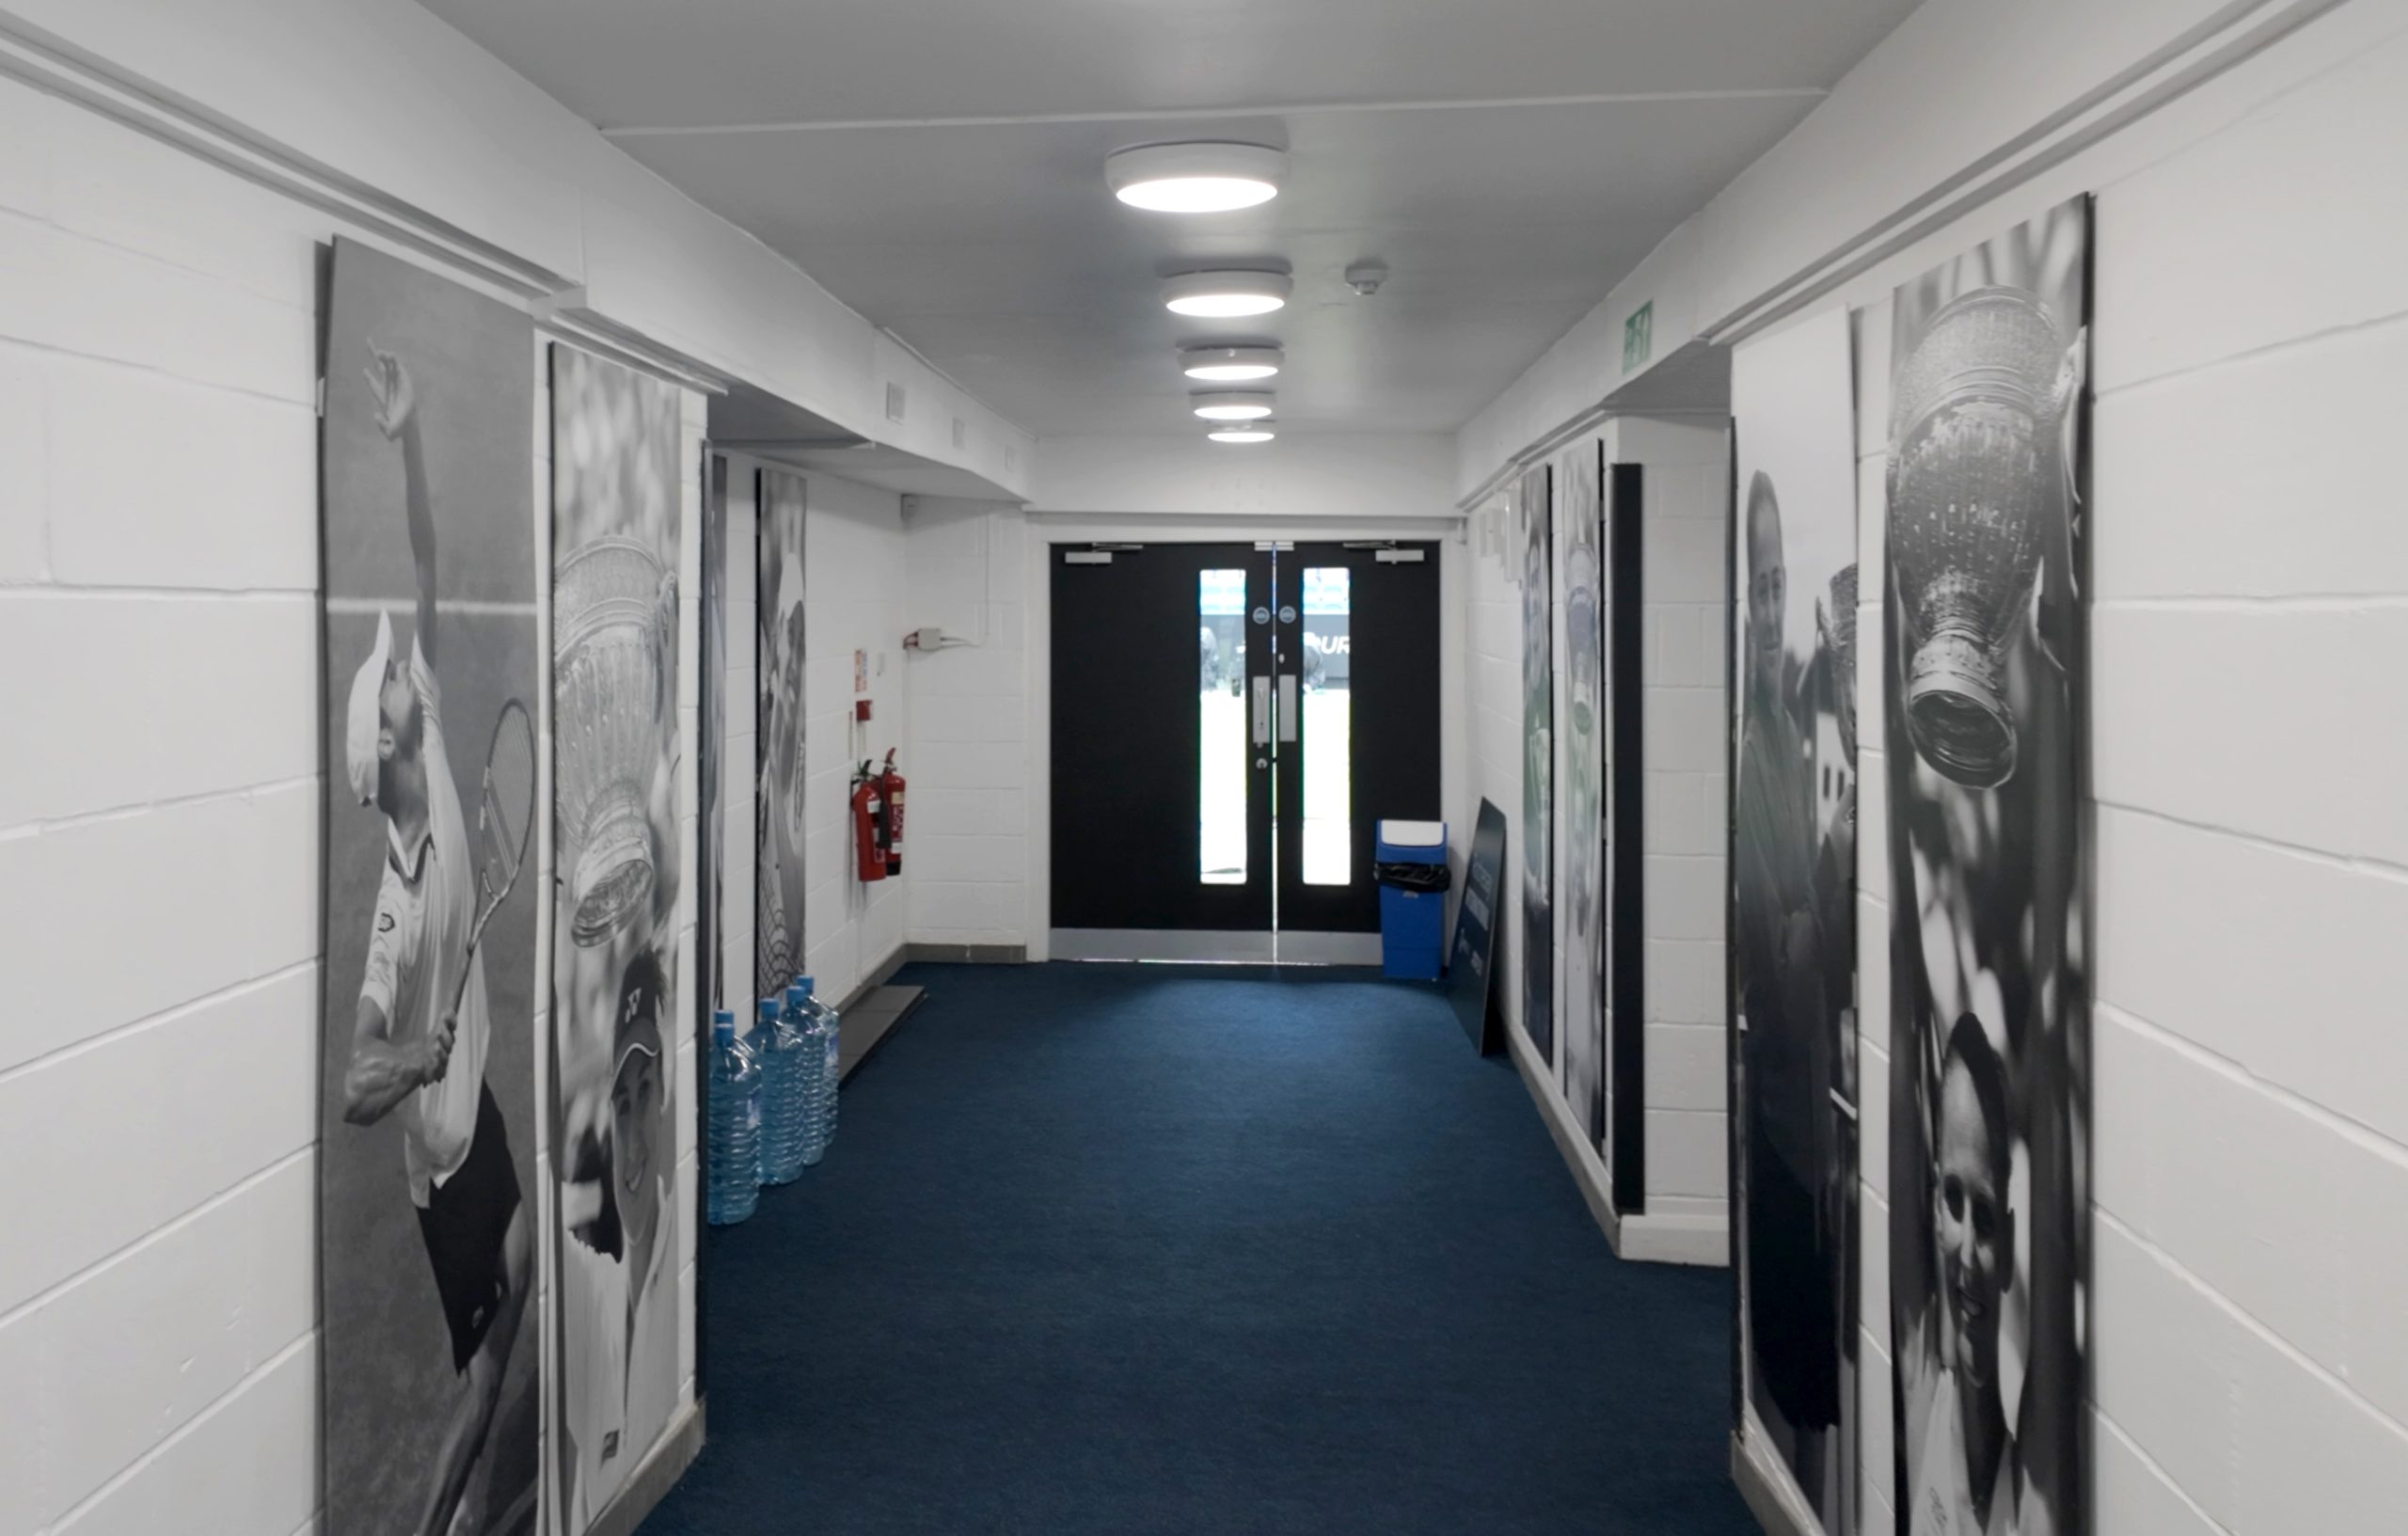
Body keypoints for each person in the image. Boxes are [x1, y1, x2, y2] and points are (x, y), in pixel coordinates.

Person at [339, 346, 531, 1536]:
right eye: (391, 686)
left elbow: (427, 561)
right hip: (444, 1159)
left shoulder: (440, 742)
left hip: (480, 1108)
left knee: (525, 1286)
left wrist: (409, 441)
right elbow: (355, 1083)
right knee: (489, 1374)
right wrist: (414, 1057)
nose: (401, 666)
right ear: (392, 745)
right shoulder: (395, 914)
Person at [1734, 471, 1842, 1495]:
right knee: (1785, 1359)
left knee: (1813, 1366)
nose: (1770, 612)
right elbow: (1779, 943)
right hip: (1772, 1103)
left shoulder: (1800, 718)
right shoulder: (1745, 748)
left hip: (1807, 1107)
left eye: (1777, 585)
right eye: (1755, 591)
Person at [1902, 1015, 2054, 1536]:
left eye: (1986, 1218)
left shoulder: (2031, 1496)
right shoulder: (1924, 1397)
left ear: (2010, 1246)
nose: (1966, 1252)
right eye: (1952, 1200)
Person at [561, 949, 680, 1528]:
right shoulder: (597, 1291)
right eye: (622, 1104)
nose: (633, 1140)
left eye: (647, 1090)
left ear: (667, 1100)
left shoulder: (677, 1243)